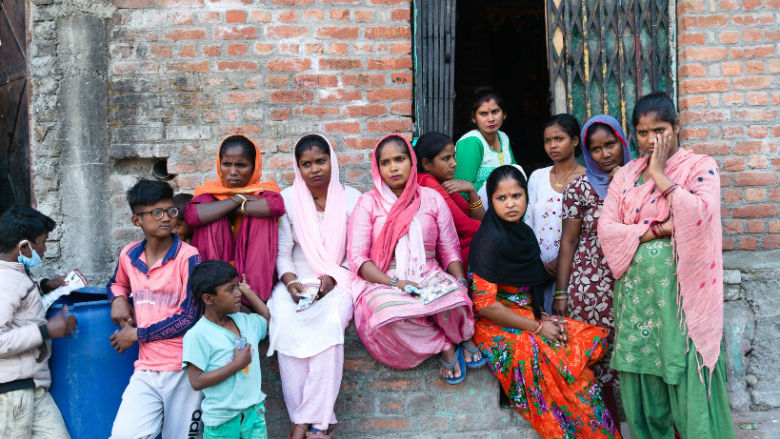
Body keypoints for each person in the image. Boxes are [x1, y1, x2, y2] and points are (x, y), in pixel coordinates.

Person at [598, 91, 735, 439]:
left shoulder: (699, 166)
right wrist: (658, 229)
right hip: (637, 299)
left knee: (684, 368)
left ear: (676, 126)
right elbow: (608, 230)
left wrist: (659, 173)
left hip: (682, 300)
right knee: (644, 373)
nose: (650, 140)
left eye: (658, 130)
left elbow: (700, 216)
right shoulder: (626, 175)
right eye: (642, 133)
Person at [469, 165, 619, 439]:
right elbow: (486, 306)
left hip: (526, 316)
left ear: (526, 197)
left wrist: (542, 317)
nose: (511, 204)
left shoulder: (523, 233)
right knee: (552, 361)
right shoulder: (490, 241)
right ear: (490, 200)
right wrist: (537, 328)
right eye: (501, 198)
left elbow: (529, 287)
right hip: (496, 325)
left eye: (517, 195)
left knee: (578, 342)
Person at [347, 134, 483, 385]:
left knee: (456, 296)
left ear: (411, 161)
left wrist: (460, 280)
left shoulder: (431, 198)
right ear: (378, 168)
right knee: (385, 315)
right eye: (385, 163)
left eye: (399, 159)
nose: (394, 167)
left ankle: (462, 335)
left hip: (429, 272)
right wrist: (394, 282)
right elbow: (357, 259)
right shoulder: (368, 203)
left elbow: (450, 249)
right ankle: (445, 343)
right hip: (386, 279)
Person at [266, 134, 360, 439]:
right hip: (296, 278)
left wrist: (331, 279)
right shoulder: (288, 199)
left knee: (330, 321)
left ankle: (300, 425)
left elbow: (356, 254)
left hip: (339, 277)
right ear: (298, 167)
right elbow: (282, 253)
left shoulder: (353, 199)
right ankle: (317, 423)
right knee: (282, 316)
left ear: (332, 160)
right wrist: (291, 283)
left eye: (321, 161)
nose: (315, 169)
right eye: (306, 164)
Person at [107, 179, 204, 439]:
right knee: (125, 435)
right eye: (156, 213)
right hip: (146, 369)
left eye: (171, 211)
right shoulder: (129, 255)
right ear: (137, 220)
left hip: (184, 368)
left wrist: (137, 335)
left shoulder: (189, 256)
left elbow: (189, 317)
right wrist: (117, 299)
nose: (167, 218)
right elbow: (116, 283)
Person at [554, 115, 632, 422]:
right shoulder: (579, 188)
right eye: (596, 149)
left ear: (622, 142)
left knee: (631, 356)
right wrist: (561, 292)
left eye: (610, 144)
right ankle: (605, 427)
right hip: (590, 287)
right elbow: (568, 242)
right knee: (596, 360)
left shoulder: (640, 181)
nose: (605, 154)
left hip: (630, 282)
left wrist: (625, 182)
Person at [0, 207, 77, 439]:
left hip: (32, 387)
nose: (45, 249)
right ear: (24, 246)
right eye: (43, 243)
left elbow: (18, 304)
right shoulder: (6, 281)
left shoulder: (15, 274)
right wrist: (46, 330)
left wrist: (44, 285)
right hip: (12, 392)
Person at [184, 135, 285, 302]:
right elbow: (193, 216)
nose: (233, 172)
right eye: (227, 165)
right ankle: (216, 294)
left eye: (241, 165)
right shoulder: (208, 191)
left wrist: (225, 207)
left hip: (253, 271)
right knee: (210, 219)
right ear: (219, 165)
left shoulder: (265, 190)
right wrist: (238, 199)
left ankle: (253, 299)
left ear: (254, 167)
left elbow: (275, 206)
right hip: (217, 265)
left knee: (262, 217)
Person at [183, 260, 270, 439]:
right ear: (208, 298)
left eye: (237, 286)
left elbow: (265, 317)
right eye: (231, 289)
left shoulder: (245, 321)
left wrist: (248, 291)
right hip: (222, 423)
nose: (238, 293)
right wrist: (236, 365)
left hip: (254, 415)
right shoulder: (199, 335)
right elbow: (196, 381)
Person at [525, 114, 585, 312]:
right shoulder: (537, 177)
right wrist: (536, 261)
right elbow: (527, 223)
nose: (552, 145)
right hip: (538, 270)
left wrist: (560, 261)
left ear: (575, 140)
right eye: (547, 141)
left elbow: (590, 230)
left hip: (577, 270)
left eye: (559, 139)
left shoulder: (587, 179)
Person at [414, 131, 483, 263]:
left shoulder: (441, 182)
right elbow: (466, 227)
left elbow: (472, 219)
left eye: (453, 157)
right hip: (443, 257)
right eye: (446, 159)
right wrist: (499, 229)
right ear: (426, 164)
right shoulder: (427, 182)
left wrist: (472, 192)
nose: (454, 163)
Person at [454, 87, 524, 195]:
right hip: (476, 209)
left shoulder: (503, 137)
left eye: (495, 112)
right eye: (483, 113)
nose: (491, 119)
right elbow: (461, 191)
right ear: (473, 118)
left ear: (504, 114)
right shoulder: (472, 142)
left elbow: (516, 175)